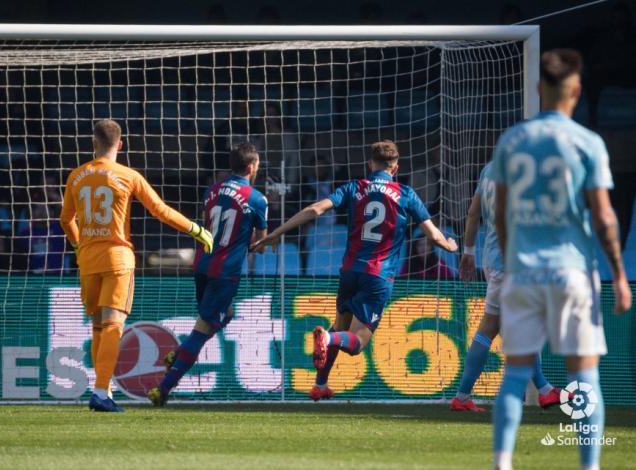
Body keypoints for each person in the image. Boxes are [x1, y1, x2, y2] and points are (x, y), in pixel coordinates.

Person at [490, 49, 632, 470]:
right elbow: (605, 216)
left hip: (522, 271)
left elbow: (500, 212)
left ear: (539, 89)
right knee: (584, 375)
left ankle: (502, 462)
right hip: (572, 271)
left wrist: (512, 257)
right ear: (577, 90)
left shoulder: (512, 140)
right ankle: (588, 466)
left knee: (516, 373)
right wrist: (620, 275)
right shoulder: (588, 143)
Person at [252, 140, 458, 401]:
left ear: (370, 164)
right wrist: (450, 245)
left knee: (340, 326)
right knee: (357, 341)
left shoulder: (354, 187)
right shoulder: (405, 193)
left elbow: (315, 209)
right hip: (378, 275)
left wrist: (275, 234)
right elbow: (434, 235)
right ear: (395, 168)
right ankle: (326, 340)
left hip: (349, 271)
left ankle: (320, 384)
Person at [59, 119, 213, 412]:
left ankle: (101, 389)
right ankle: (102, 393)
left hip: (88, 261)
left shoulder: (76, 176)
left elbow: (66, 220)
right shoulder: (129, 176)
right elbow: (160, 211)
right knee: (113, 326)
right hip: (117, 258)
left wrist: (80, 245)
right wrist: (196, 230)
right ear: (121, 144)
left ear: (93, 143)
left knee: (98, 328)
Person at [148, 142, 268, 406]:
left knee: (225, 315)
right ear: (250, 167)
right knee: (203, 328)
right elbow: (259, 243)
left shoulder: (212, 190)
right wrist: (258, 242)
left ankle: (179, 352)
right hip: (225, 271)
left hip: (202, 264)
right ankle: (164, 388)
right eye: (258, 164)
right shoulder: (257, 198)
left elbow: (209, 223)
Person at [452, 161, 560, 412]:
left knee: (506, 327)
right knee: (503, 327)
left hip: (492, 259)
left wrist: (468, 251)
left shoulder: (489, 169)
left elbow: (472, 213)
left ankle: (464, 397)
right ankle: (543, 390)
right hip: (512, 263)